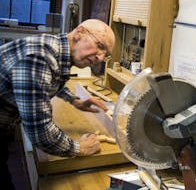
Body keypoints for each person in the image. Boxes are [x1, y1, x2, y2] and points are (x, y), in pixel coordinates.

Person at [0, 19, 115, 189]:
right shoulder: (39, 57)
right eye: (100, 45)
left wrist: (75, 100)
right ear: (79, 33)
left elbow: (49, 78)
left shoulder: (56, 50)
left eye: (106, 54)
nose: (100, 57)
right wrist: (80, 148)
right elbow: (41, 134)